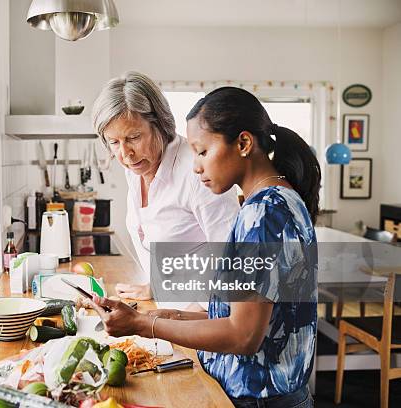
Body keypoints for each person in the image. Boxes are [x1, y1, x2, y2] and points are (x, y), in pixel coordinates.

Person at [88, 86, 320, 407]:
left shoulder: (264, 214)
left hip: (260, 399)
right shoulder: (272, 202)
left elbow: (243, 335)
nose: (195, 167)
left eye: (201, 152)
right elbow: (231, 312)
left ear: (243, 143)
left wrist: (145, 324)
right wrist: (163, 315)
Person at [92, 71, 239, 301]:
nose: (125, 154)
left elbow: (235, 263)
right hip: (167, 312)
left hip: (203, 321)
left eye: (133, 137)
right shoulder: (136, 168)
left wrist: (183, 318)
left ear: (159, 124)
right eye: (114, 142)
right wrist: (156, 287)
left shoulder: (198, 170)